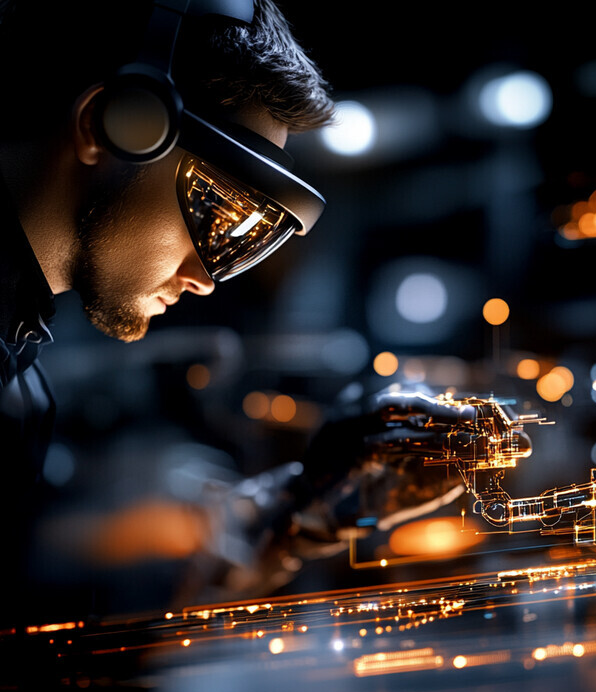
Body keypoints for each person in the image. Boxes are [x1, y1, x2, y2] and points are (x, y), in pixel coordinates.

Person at [0, 0, 466, 617]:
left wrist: (299, 510)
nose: (206, 279)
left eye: (241, 236)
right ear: (109, 124)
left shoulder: (19, 362)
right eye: (213, 211)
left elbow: (35, 584)